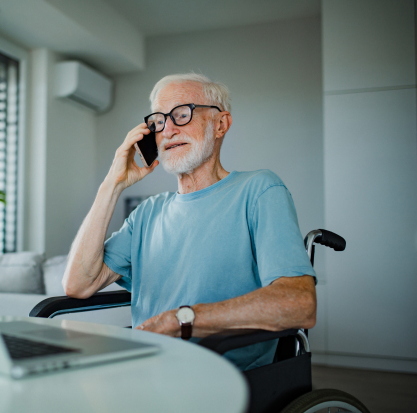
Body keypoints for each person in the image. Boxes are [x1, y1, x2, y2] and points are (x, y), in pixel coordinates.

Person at [62, 73, 317, 370]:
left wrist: (180, 320)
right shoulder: (147, 213)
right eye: (158, 121)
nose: (167, 130)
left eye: (182, 114)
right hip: (146, 368)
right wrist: (112, 185)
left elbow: (299, 304)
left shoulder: (259, 189)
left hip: (219, 378)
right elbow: (79, 284)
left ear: (220, 124)